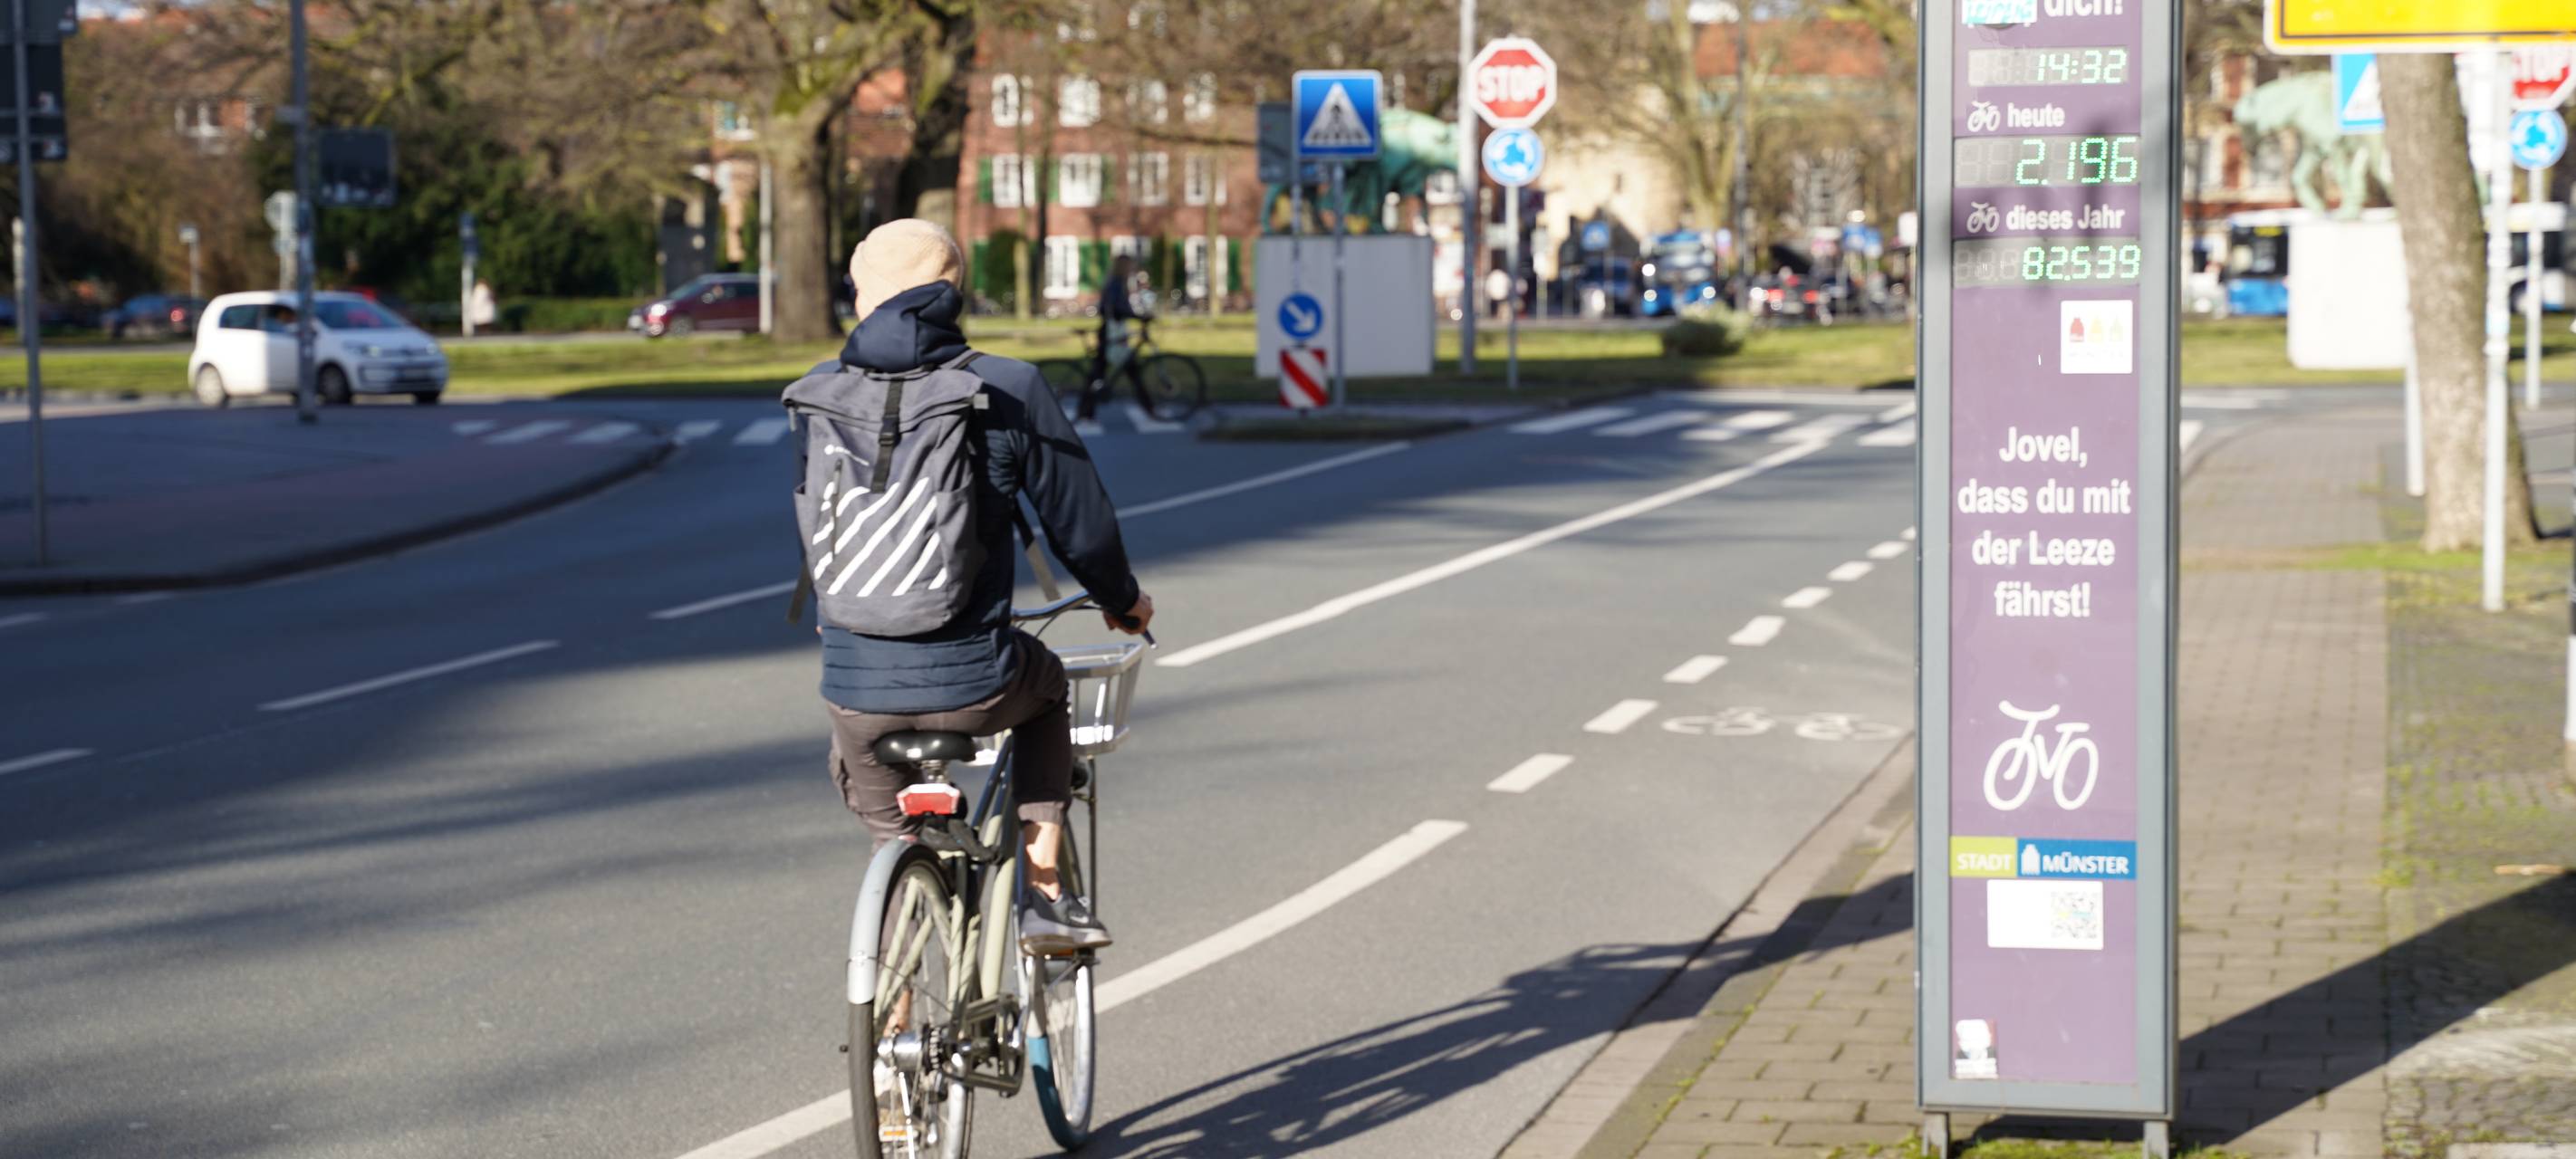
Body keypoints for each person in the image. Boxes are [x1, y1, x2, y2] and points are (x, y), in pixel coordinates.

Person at [812, 219, 1154, 952]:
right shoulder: (1006, 385)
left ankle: (894, 1003)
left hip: (853, 688)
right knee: (1047, 689)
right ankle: (1044, 892)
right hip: (978, 680)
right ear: (954, 292)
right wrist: (1123, 601)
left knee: (891, 832)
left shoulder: (820, 396)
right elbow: (1078, 523)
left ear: (860, 293)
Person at [1081, 254, 1146, 421]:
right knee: (1124, 370)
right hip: (1111, 333)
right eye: (1130, 266)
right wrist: (1139, 317)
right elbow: (1117, 308)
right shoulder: (1117, 284)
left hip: (1110, 332)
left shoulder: (1115, 283)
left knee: (1100, 373)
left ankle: (1086, 410)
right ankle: (1149, 406)